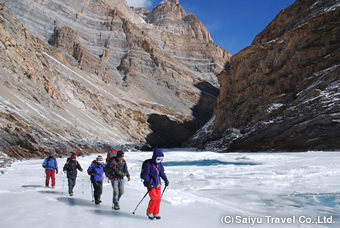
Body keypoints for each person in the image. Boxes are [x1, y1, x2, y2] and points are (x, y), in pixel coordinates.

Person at [141, 148, 169, 220]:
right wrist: (147, 182)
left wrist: (165, 179)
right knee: (154, 199)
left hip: (158, 184)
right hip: (151, 184)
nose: (159, 160)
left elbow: (161, 172)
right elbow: (145, 174)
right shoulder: (148, 164)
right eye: (158, 158)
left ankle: (156, 212)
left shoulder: (160, 164)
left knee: (158, 199)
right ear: (155, 157)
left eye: (161, 159)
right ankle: (149, 212)